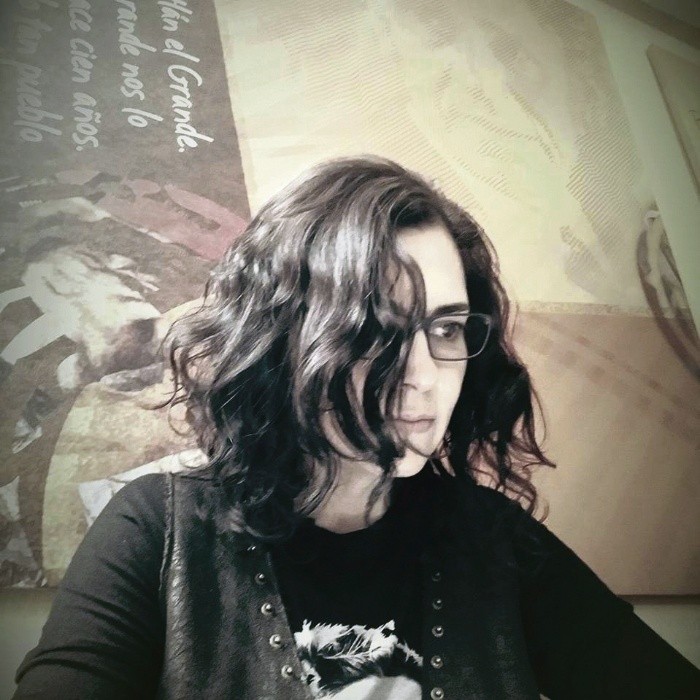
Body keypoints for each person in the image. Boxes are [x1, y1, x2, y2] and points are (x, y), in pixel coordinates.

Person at [13, 156, 699, 699]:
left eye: (447, 328)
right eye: (376, 329)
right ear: (283, 338)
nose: (422, 375)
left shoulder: (495, 542)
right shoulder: (156, 533)